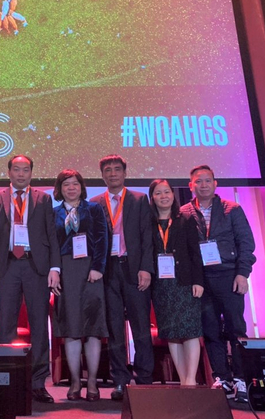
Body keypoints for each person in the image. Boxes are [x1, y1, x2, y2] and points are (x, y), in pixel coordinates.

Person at [180, 165, 256, 402]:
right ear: (190, 186)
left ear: (215, 183)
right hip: (201, 280)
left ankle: (242, 379)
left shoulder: (232, 209)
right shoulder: (184, 212)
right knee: (211, 330)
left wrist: (242, 273)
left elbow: (246, 243)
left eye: (207, 181)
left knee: (236, 329)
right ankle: (222, 377)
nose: (202, 185)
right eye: (197, 182)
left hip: (229, 276)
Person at [0, 155, 61, 403]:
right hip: (8, 265)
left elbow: (51, 235)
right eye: (16, 169)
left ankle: (37, 383)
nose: (21, 174)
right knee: (6, 326)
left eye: (25, 170)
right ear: (9, 172)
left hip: (37, 267)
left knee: (39, 328)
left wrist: (55, 267)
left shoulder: (43, 199)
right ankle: (5, 380)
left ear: (31, 173)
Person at [89, 155, 154, 400]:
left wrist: (146, 268)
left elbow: (147, 237)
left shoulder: (139, 199)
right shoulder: (95, 202)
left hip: (134, 268)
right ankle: (120, 381)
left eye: (117, 169)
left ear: (125, 173)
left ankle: (144, 379)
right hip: (108, 270)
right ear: (103, 175)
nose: (113, 173)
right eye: (108, 170)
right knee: (115, 328)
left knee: (140, 327)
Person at [53, 169, 108, 401]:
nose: (71, 188)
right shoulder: (53, 213)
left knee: (93, 330)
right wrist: (54, 271)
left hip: (90, 271)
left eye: (75, 184)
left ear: (81, 187)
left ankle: (93, 382)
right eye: (66, 184)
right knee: (71, 329)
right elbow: (52, 245)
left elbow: (103, 239)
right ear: (60, 188)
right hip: (66, 273)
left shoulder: (94, 208)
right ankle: (75, 381)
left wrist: (98, 267)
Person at [148, 179, 204, 386]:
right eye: (158, 193)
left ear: (173, 195)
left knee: (190, 331)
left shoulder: (185, 219)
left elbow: (195, 252)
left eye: (167, 192)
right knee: (171, 333)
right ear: (152, 198)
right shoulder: (149, 222)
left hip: (185, 282)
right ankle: (183, 380)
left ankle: (191, 380)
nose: (163, 196)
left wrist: (198, 281)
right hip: (162, 285)